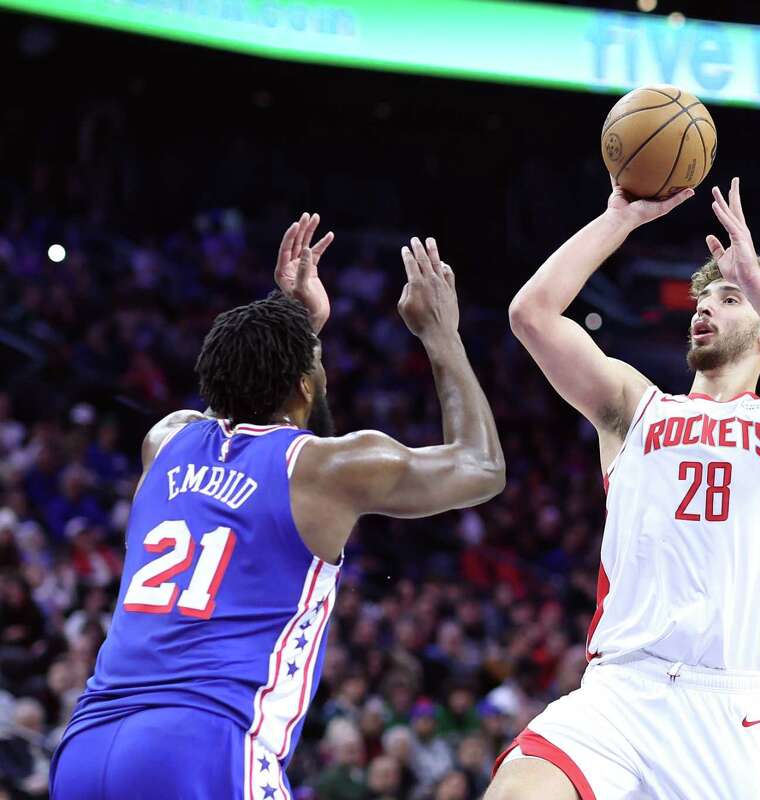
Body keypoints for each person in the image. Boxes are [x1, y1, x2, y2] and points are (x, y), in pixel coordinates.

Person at [50, 214, 505, 799]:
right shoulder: (324, 468)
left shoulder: (164, 441)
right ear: (305, 386)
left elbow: (240, 402)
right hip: (205, 743)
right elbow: (481, 468)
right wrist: (441, 333)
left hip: (88, 743)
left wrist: (294, 324)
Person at [490, 178, 760, 799]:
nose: (704, 307)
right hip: (619, 693)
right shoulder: (635, 405)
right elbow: (531, 315)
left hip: (727, 709)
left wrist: (757, 279)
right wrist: (617, 219)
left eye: (729, 298)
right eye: (703, 298)